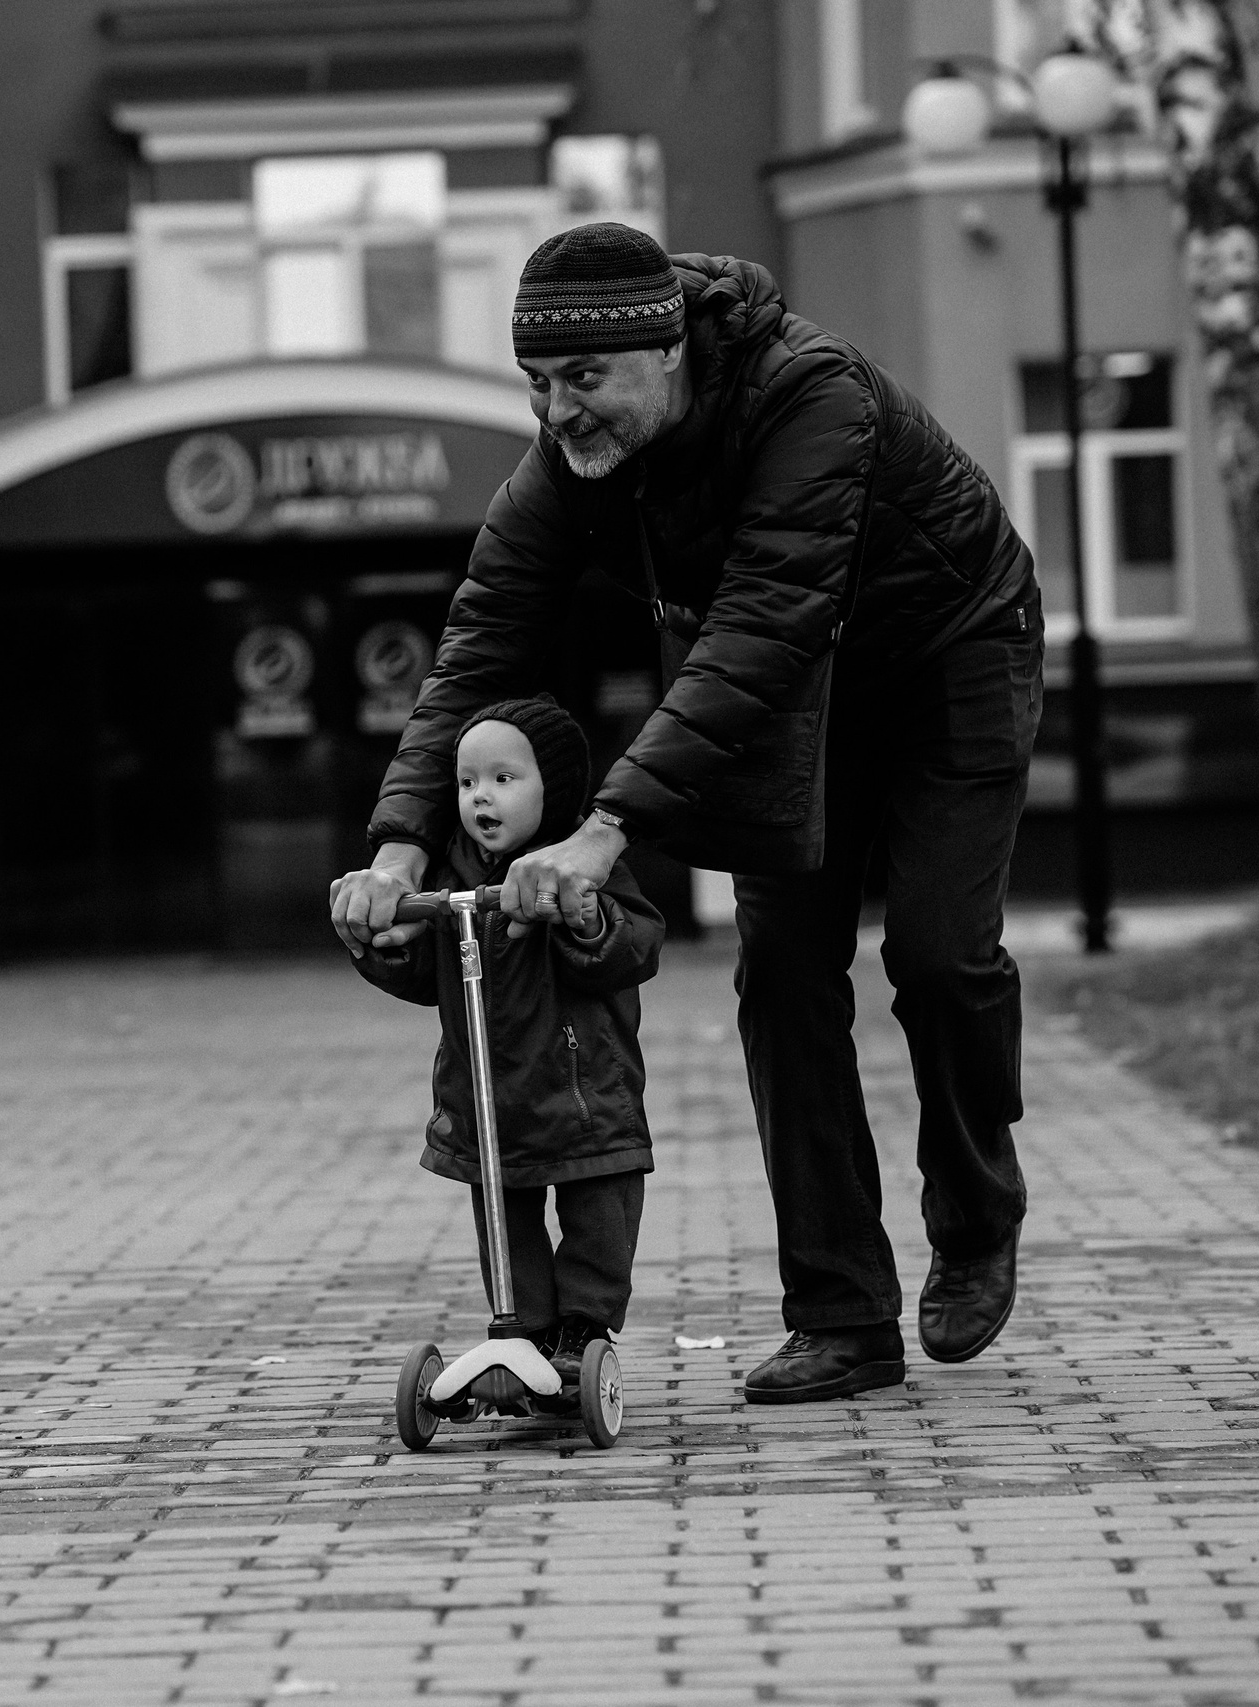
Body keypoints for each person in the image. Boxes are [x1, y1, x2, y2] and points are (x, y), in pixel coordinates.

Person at [331, 223, 1044, 1404]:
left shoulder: (813, 399)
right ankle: (843, 1317)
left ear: (666, 352)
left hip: (943, 661)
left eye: (584, 381)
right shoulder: (571, 459)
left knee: (936, 950)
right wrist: (398, 842)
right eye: (539, 386)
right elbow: (482, 637)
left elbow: (764, 621)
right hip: (769, 676)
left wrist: (604, 832)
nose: (558, 414)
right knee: (783, 974)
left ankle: (974, 1213)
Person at [347, 695, 664, 1395]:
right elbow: (424, 974)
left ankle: (583, 1329)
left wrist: (585, 917)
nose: (479, 796)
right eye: (466, 782)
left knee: (596, 1215)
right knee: (504, 1219)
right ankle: (522, 1329)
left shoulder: (586, 866)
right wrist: (380, 937)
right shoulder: (452, 878)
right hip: (488, 1096)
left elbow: (635, 943)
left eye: (503, 778)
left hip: (583, 1091)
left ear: (553, 788)